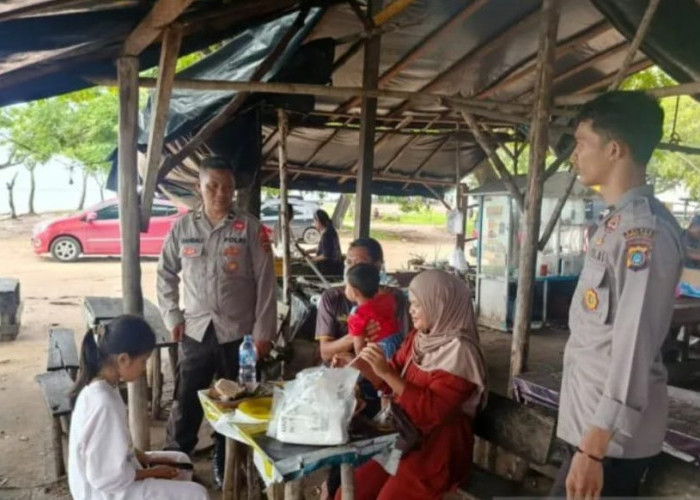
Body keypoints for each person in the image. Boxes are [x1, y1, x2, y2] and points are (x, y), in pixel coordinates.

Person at [552, 91, 683, 499]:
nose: (575, 155)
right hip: (591, 428)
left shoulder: (644, 233)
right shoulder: (616, 225)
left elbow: (633, 348)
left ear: (614, 149)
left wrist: (594, 449)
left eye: (582, 143)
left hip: (607, 441)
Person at [157, 156, 276, 488]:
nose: (221, 194)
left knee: (235, 406)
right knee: (186, 403)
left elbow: (267, 281)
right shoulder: (182, 228)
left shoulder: (251, 228)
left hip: (240, 335)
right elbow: (165, 274)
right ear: (199, 187)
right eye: (213, 186)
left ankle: (227, 465)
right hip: (194, 331)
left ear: (235, 190)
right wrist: (171, 314)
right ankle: (175, 466)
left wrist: (263, 332)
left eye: (227, 187)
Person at [334, 270, 487, 500]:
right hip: (404, 435)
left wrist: (385, 372)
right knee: (349, 492)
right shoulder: (419, 338)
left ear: (440, 304)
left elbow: (431, 412)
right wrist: (360, 366)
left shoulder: (461, 353)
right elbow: (390, 381)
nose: (410, 310)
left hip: (437, 450)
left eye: (418, 304)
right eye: (411, 303)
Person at [68, 315, 209, 500]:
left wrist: (146, 458)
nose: (144, 369)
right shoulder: (103, 403)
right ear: (123, 359)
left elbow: (118, 445)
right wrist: (152, 473)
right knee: (197, 494)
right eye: (143, 361)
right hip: (103, 492)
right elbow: (107, 478)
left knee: (180, 460)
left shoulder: (106, 386)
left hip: (112, 477)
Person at [315, 238, 410, 364]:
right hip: (341, 370)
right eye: (348, 262)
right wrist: (356, 335)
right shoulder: (332, 297)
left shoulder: (395, 298)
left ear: (377, 266)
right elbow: (325, 353)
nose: (351, 269)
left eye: (359, 263)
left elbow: (406, 344)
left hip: (385, 368)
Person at [345, 263, 401, 358]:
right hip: (397, 341)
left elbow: (358, 345)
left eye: (346, 286)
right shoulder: (387, 298)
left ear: (354, 292)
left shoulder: (357, 316)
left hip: (381, 349)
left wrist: (362, 360)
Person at [310, 209, 343, 275]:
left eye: (314, 221)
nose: (314, 224)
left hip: (330, 267)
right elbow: (322, 247)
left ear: (319, 221)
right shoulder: (328, 231)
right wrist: (307, 251)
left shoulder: (327, 234)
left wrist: (313, 259)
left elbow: (326, 255)